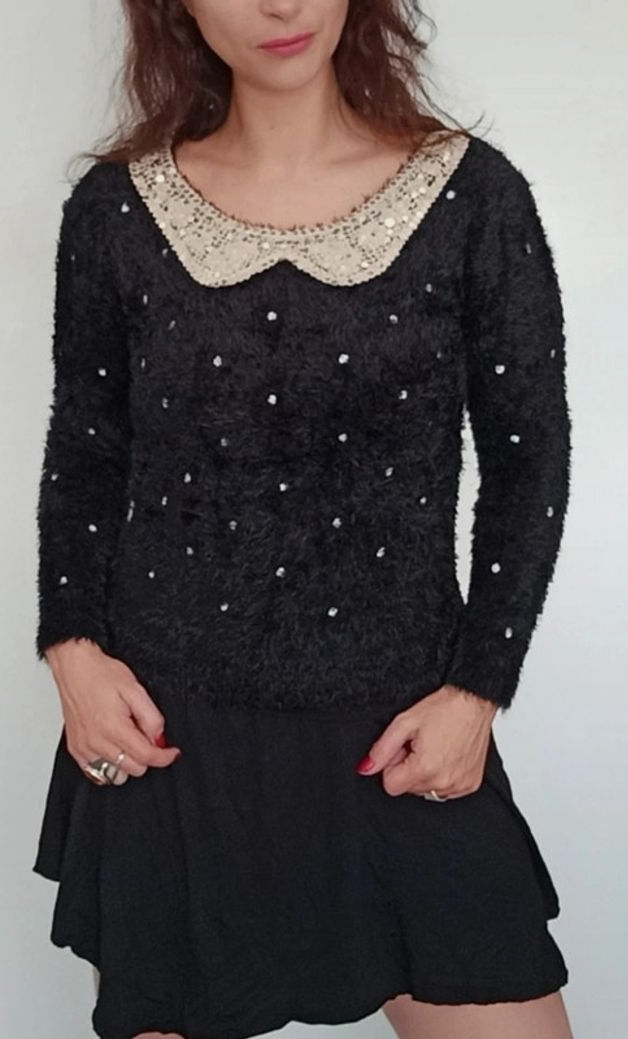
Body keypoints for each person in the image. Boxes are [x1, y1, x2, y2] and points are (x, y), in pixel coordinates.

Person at [32, 3, 575, 1038]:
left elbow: (527, 458)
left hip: (401, 731)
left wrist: (477, 691)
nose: (279, 5)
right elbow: (88, 450)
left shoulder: (470, 196)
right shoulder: (114, 211)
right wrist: (72, 650)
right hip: (170, 739)